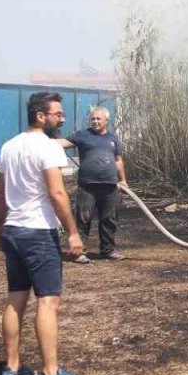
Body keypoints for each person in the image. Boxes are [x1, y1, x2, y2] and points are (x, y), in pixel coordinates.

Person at [0, 91, 90, 375]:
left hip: (13, 231)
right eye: (57, 114)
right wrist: (72, 231)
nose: (61, 119)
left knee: (16, 300)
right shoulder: (47, 148)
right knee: (48, 302)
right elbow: (57, 194)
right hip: (37, 233)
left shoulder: (9, 146)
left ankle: (11, 368)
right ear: (40, 116)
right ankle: (50, 374)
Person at [60, 105, 128, 262]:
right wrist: (40, 139)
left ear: (106, 121)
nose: (95, 121)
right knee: (83, 219)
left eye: (98, 119)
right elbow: (62, 143)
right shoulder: (83, 135)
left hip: (110, 186)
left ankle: (108, 250)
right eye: (93, 119)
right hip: (87, 186)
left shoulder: (113, 139)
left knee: (109, 219)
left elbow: (118, 160)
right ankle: (79, 252)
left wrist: (123, 180)